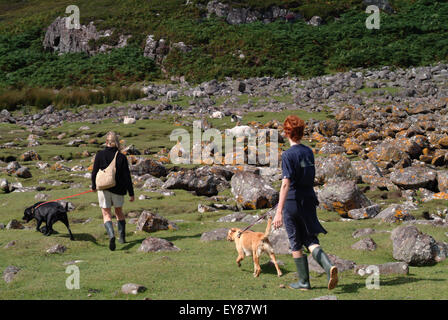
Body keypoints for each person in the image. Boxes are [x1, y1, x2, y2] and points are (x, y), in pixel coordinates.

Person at [273, 115, 338, 290]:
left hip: (292, 201)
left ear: (287, 133)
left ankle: (304, 282)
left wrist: (279, 210)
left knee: (295, 240)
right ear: (301, 132)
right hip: (309, 199)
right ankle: (328, 266)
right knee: (310, 238)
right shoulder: (309, 152)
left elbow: (286, 183)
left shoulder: (287, 155)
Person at [91, 131, 135, 251]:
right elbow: (127, 177)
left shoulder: (99, 154)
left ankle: (111, 235)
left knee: (106, 213)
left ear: (106, 142)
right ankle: (121, 238)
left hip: (103, 189)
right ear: (117, 143)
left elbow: (94, 172)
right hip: (119, 189)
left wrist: (93, 186)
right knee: (119, 212)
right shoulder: (121, 157)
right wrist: (131, 193)